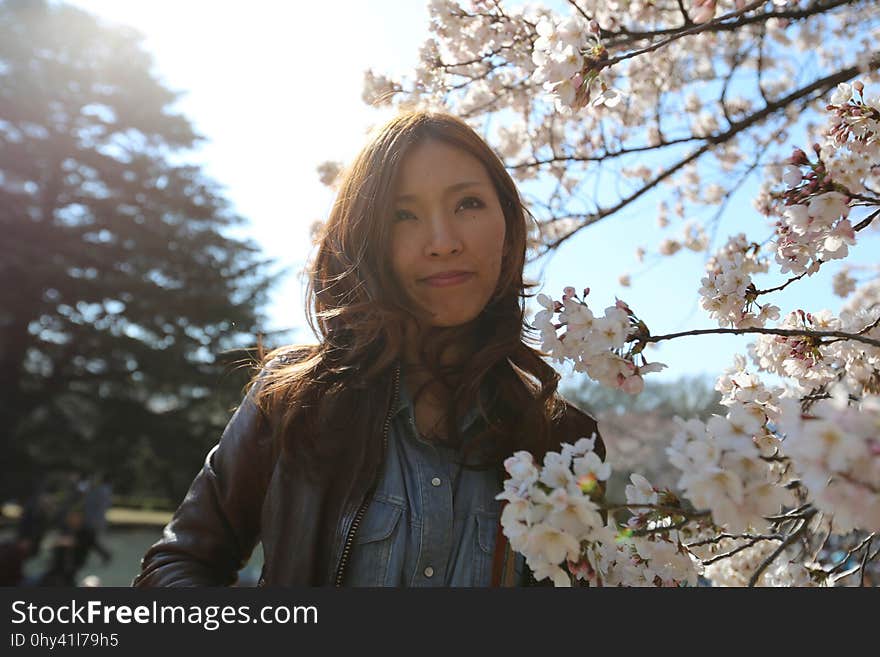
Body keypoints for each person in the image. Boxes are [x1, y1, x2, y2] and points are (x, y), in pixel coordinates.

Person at [133, 110, 605, 588]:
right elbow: (176, 566)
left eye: (468, 204)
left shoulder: (565, 442)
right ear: (367, 240)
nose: (442, 243)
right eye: (403, 214)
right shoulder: (292, 399)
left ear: (507, 225)